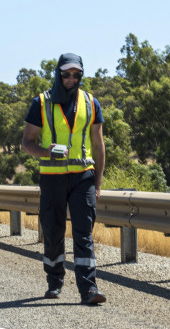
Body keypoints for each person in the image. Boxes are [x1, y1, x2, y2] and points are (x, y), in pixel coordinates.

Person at [22, 53, 107, 305]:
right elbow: (27, 142)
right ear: (58, 74)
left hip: (83, 178)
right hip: (52, 178)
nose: (72, 79)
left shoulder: (92, 103)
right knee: (53, 232)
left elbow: (98, 144)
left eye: (76, 74)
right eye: (67, 74)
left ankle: (89, 288)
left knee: (84, 234)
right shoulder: (41, 103)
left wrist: (98, 181)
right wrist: (45, 152)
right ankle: (55, 281)